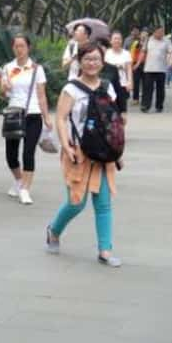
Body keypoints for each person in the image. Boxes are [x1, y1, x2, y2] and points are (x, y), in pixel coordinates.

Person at [46, 42, 122, 268]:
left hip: (103, 151)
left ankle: (105, 251)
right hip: (78, 151)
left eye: (96, 59)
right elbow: (60, 118)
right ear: (80, 61)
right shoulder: (71, 89)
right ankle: (54, 230)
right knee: (76, 202)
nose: (92, 63)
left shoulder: (108, 87)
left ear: (102, 61)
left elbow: (113, 121)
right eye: (87, 59)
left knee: (104, 203)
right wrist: (66, 146)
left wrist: (118, 150)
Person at [1, 34, 52, 205]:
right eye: (16, 46)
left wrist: (46, 117)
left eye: (22, 46)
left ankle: (25, 189)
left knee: (28, 152)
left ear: (28, 48)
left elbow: (42, 95)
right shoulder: (7, 68)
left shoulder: (37, 69)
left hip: (33, 114)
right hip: (14, 113)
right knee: (11, 155)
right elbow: (4, 95)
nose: (19, 49)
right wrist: (4, 89)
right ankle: (18, 180)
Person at [141, 26, 172, 113]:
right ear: (154, 32)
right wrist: (138, 63)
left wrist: (170, 61)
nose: (161, 34)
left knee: (160, 89)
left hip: (161, 68)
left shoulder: (166, 40)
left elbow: (171, 51)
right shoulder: (148, 40)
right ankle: (145, 105)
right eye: (159, 32)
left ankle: (159, 106)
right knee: (147, 88)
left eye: (162, 32)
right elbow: (143, 51)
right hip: (149, 68)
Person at [104, 31, 132, 97]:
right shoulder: (106, 53)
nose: (117, 40)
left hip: (122, 83)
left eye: (119, 39)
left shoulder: (126, 53)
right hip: (109, 84)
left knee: (122, 105)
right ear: (110, 41)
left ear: (122, 41)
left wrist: (130, 82)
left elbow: (129, 69)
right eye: (115, 38)